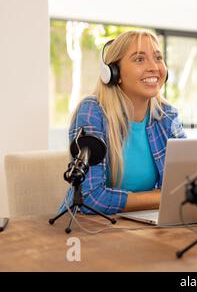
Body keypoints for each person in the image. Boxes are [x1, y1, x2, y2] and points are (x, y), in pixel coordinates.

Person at [59, 30, 186, 215]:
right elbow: (90, 197)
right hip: (90, 228)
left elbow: (185, 185)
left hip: (144, 224)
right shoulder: (92, 112)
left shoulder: (167, 116)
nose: (153, 67)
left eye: (158, 58)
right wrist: (160, 197)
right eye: (139, 59)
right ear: (113, 72)